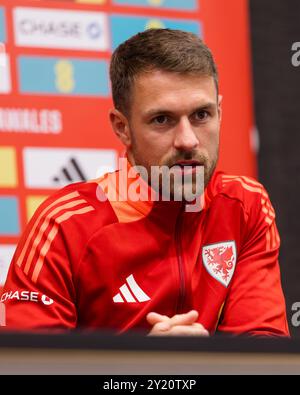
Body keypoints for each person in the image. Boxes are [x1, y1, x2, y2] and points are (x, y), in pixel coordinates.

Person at [0, 29, 289, 336]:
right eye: (162, 120)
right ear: (122, 127)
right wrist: (142, 369)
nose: (188, 140)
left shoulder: (246, 205)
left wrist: (207, 366)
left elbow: (264, 357)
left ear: (219, 111)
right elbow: (27, 365)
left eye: (201, 115)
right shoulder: (63, 225)